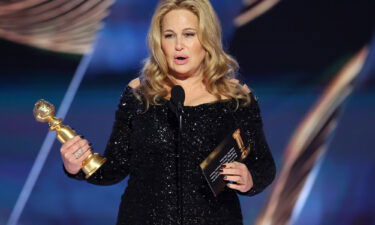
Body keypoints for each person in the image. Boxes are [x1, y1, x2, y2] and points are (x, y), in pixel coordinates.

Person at [60, 0, 276, 224]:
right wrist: (77, 166)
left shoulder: (236, 98)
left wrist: (248, 179)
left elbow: (264, 166)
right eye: (169, 35)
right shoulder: (140, 94)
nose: (178, 45)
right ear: (159, 42)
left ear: (207, 38)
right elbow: (114, 168)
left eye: (189, 34)